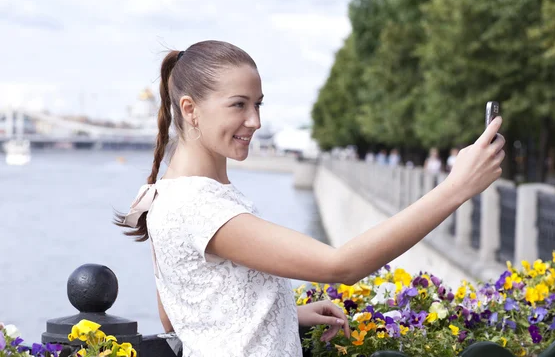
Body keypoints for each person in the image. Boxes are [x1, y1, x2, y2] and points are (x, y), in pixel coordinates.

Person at [115, 40, 505, 357]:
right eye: (239, 104)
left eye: (258, 104)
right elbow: (340, 266)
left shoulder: (165, 194)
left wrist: (285, 315)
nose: (256, 121)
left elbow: (178, 317)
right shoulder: (200, 205)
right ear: (190, 110)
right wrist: (456, 189)